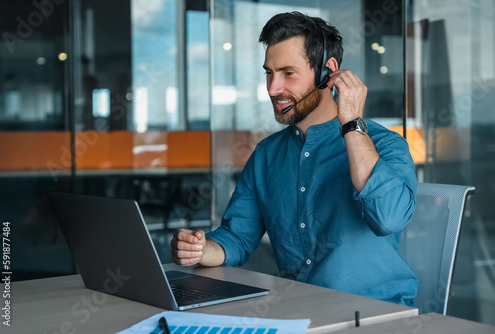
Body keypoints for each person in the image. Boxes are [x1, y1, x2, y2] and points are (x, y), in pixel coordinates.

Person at [171, 11, 418, 306]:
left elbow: (389, 218)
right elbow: (237, 237)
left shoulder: (386, 144)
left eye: (288, 73)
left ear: (328, 72)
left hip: (373, 315)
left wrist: (351, 123)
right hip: (296, 311)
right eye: (269, 73)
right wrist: (201, 249)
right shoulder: (267, 155)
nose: (273, 89)